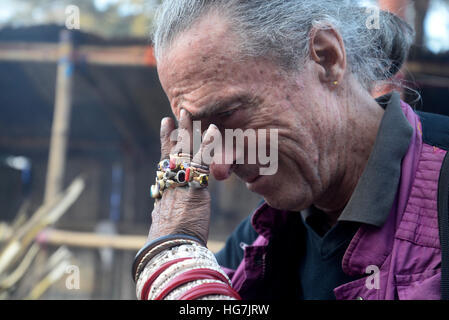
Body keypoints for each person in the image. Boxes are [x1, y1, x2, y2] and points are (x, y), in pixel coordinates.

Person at [132, 0, 449, 300]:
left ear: (327, 57)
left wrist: (171, 262)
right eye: (204, 135)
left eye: (228, 114)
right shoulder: (256, 244)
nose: (219, 168)